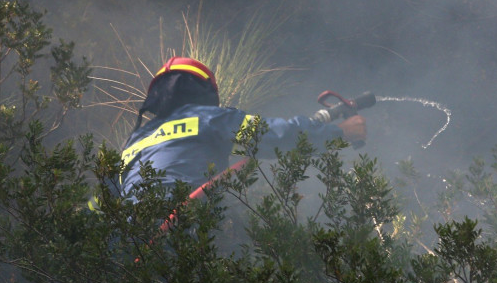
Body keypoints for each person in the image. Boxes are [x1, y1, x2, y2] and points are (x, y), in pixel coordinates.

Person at [116, 56, 366, 199]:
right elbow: (274, 136)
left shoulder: (136, 139)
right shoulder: (208, 118)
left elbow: (105, 200)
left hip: (127, 240)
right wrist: (341, 133)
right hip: (179, 224)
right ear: (204, 90)